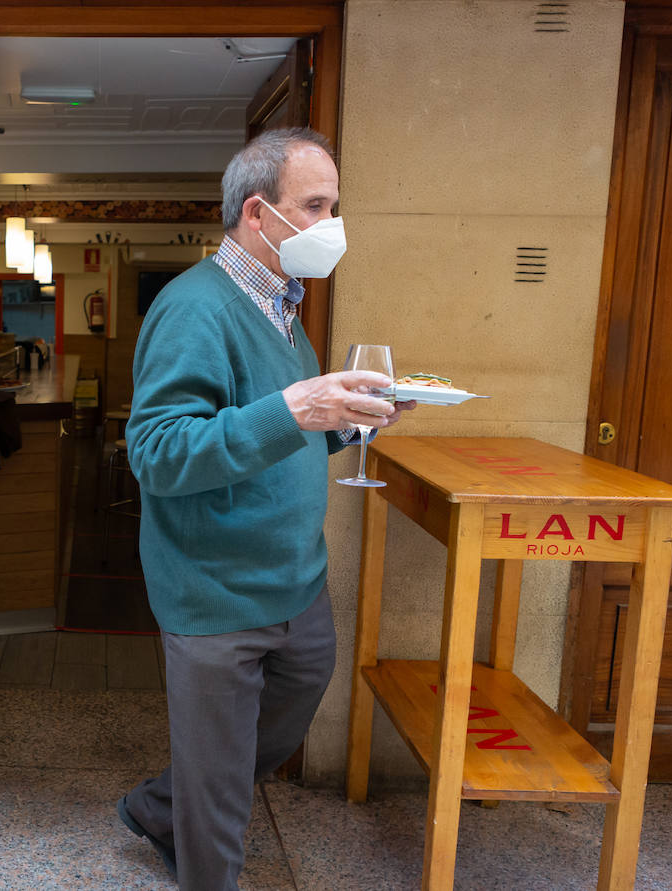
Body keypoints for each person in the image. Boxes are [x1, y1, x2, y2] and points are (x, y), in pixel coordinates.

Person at [115, 127, 416, 890]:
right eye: (316, 206)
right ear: (258, 212)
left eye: (334, 205)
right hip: (216, 592)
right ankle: (197, 848)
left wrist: (345, 422)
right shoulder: (194, 308)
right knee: (219, 799)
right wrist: (293, 407)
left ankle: (159, 804)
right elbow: (158, 452)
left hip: (294, 585)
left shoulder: (283, 306)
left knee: (268, 727)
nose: (332, 224)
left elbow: (273, 437)